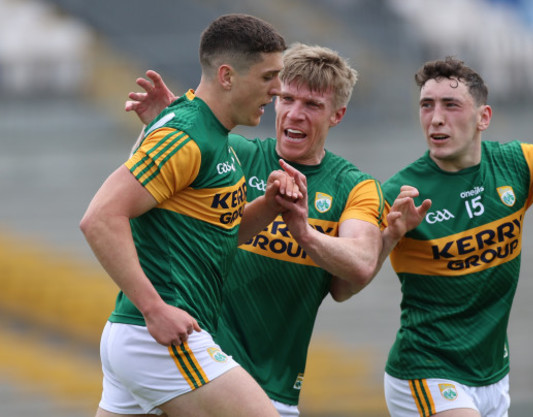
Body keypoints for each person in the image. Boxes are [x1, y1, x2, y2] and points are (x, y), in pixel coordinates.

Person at [124, 43, 386, 417]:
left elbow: (360, 262)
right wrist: (161, 125)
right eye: (287, 99)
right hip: (191, 367)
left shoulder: (354, 187)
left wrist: (305, 232)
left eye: (312, 105)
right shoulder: (232, 154)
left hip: (271, 390)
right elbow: (139, 187)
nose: (295, 114)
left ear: (337, 115)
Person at [378, 56, 533, 417]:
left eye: (451, 105)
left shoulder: (517, 164)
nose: (436, 118)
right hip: (426, 369)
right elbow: (349, 279)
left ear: (484, 117)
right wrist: (388, 237)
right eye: (426, 105)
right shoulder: (400, 193)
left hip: (492, 374)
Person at [80, 14, 300, 417]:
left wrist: (271, 206)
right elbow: (99, 218)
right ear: (228, 76)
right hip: (159, 336)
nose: (278, 90)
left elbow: (221, 233)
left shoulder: (211, 135)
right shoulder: (188, 134)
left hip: (141, 335)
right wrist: (154, 309)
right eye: (269, 77)